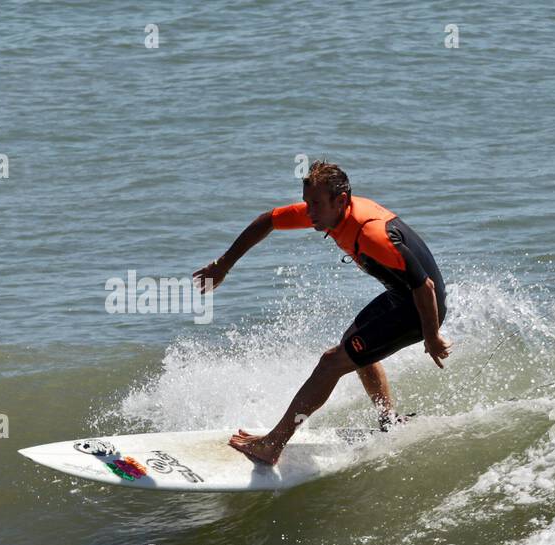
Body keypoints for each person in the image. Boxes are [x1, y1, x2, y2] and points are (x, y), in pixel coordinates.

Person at [192, 160, 451, 465]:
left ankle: (273, 444)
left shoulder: (372, 234)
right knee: (353, 345)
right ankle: (388, 419)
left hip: (421, 309)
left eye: (315, 204)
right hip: (401, 296)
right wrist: (223, 265)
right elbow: (268, 221)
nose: (308, 212)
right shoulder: (328, 213)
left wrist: (432, 336)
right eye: (306, 202)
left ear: (340, 201)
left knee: (332, 362)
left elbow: (425, 287)